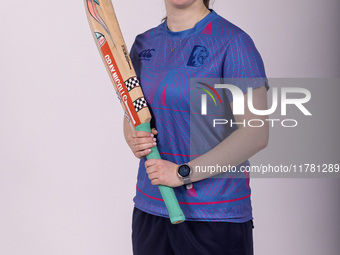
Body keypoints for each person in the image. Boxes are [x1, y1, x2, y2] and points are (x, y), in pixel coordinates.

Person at [123, 0, 269, 254]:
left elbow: (256, 133)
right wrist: (133, 136)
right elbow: (133, 113)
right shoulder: (143, 44)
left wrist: (182, 173)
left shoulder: (233, 42)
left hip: (215, 216)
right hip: (152, 207)